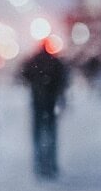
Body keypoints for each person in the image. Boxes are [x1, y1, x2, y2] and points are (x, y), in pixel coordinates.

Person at [19, 41, 69, 179]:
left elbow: (24, 74)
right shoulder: (54, 61)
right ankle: (51, 164)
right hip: (50, 103)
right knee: (51, 133)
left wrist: (34, 84)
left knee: (38, 134)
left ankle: (39, 164)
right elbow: (62, 80)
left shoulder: (34, 60)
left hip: (37, 102)